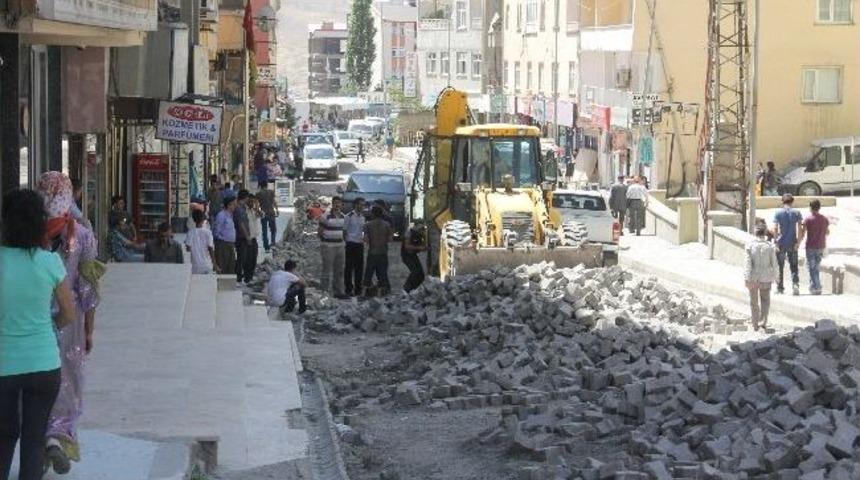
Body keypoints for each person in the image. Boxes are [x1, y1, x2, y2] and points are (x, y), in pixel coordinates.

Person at [0, 188, 77, 480]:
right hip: (44, 365)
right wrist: (48, 326)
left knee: (4, 435)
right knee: (33, 440)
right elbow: (69, 314)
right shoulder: (49, 262)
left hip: (4, 366)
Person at [33, 173, 103, 475]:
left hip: (31, 319)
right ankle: (57, 436)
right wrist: (89, 329)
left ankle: (38, 439)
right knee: (66, 379)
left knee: (33, 381)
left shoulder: (27, 231)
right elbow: (88, 291)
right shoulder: (83, 235)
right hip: (68, 321)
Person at [744, 221, 779, 331]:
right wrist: (777, 277)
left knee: (754, 302)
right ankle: (763, 322)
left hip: (754, 278)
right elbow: (775, 263)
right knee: (765, 300)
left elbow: (747, 264)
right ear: (765, 233)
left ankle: (755, 324)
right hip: (766, 278)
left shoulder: (750, 246)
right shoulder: (770, 247)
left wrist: (747, 278)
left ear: (755, 233)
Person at [771, 193, 802, 295]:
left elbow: (775, 228)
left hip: (781, 243)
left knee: (780, 266)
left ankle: (780, 288)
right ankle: (795, 285)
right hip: (792, 243)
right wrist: (798, 242)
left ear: (782, 202)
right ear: (792, 202)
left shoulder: (778, 213)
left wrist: (775, 242)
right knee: (794, 266)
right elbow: (800, 228)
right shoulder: (797, 213)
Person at [317, 196, 348, 298]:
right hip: (328, 246)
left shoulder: (344, 217)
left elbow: (344, 232)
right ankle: (324, 291)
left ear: (341, 204)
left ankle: (338, 291)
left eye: (339, 203)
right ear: (332, 204)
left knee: (339, 270)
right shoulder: (325, 216)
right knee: (327, 269)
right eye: (335, 203)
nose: (337, 205)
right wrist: (325, 242)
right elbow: (320, 231)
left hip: (340, 246)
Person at [799, 199, 830, 295]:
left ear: (810, 208)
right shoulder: (825, 219)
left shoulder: (808, 219)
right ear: (819, 208)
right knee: (816, 268)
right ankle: (813, 287)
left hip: (811, 246)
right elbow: (828, 232)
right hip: (821, 246)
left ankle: (817, 286)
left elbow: (803, 233)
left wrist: (798, 242)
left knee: (811, 268)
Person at [363, 205, 393, 297]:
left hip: (372, 252)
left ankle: (366, 291)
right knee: (382, 273)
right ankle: (384, 291)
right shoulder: (387, 225)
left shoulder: (368, 225)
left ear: (372, 214)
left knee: (369, 273)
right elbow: (390, 239)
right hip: (383, 252)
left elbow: (366, 239)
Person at [343, 197, 366, 297]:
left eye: (363, 205)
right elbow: (344, 231)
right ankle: (348, 288)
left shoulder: (363, 217)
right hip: (351, 243)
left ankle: (358, 289)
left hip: (359, 244)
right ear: (355, 205)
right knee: (349, 267)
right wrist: (347, 241)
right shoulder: (349, 216)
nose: (362, 207)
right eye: (360, 204)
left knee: (359, 268)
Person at [185, 210, 219, 274]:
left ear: (193, 220)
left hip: (194, 266)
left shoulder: (190, 233)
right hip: (207, 264)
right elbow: (211, 249)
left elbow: (188, 249)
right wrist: (215, 264)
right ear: (203, 220)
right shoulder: (208, 232)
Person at [401, 219, 427, 292]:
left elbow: (423, 245)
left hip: (413, 255)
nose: (421, 229)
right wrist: (419, 247)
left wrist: (424, 237)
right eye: (420, 228)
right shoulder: (409, 232)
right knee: (415, 272)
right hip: (406, 255)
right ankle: (406, 288)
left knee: (421, 274)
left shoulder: (419, 233)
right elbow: (407, 246)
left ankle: (416, 289)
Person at [213, 197, 238, 275]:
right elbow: (216, 231)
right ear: (229, 205)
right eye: (234, 204)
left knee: (231, 265)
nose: (235, 206)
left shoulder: (231, 215)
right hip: (223, 244)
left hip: (230, 244)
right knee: (223, 265)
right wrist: (222, 240)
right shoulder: (221, 215)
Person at [233, 190, 253, 284]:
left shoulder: (242, 208)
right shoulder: (239, 209)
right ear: (245, 197)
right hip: (241, 237)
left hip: (242, 236)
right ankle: (238, 278)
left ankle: (240, 276)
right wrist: (247, 237)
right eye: (247, 197)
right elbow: (241, 224)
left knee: (243, 257)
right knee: (241, 258)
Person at [257, 180, 279, 251]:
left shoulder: (258, 194)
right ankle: (273, 243)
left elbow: (256, 205)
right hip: (271, 213)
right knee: (273, 230)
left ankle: (266, 247)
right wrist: (277, 210)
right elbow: (274, 202)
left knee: (264, 230)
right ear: (267, 185)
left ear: (260, 186)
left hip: (263, 213)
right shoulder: (271, 192)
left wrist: (258, 211)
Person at [245, 194, 262, 280]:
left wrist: (257, 208)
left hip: (254, 238)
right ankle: (247, 277)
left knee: (254, 258)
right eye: (251, 201)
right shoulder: (244, 211)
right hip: (247, 239)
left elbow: (262, 215)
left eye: (254, 201)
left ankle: (250, 276)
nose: (252, 203)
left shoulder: (254, 210)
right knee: (248, 259)